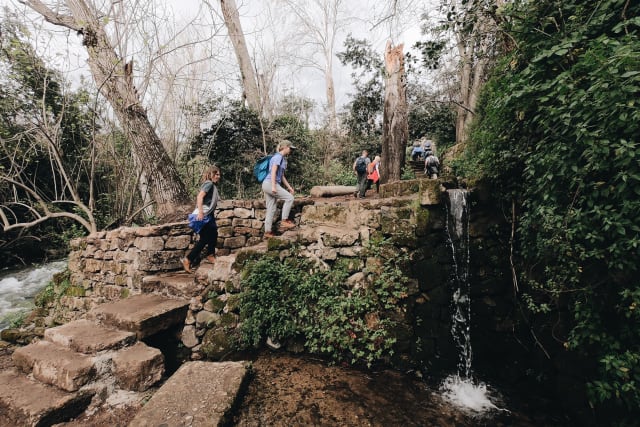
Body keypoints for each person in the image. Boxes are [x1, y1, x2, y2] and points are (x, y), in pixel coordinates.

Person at [182, 165, 221, 273]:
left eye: (219, 174)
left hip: (209, 214)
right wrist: (200, 212)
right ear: (211, 174)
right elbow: (200, 197)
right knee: (205, 238)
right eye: (216, 174)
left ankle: (210, 254)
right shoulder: (208, 184)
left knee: (213, 233)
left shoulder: (212, 185)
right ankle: (188, 259)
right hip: (204, 214)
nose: (219, 176)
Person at [262, 139, 297, 238]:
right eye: (290, 148)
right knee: (290, 198)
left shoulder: (282, 159)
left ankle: (267, 232)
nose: (291, 150)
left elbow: (281, 176)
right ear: (285, 147)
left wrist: (289, 187)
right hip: (270, 183)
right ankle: (284, 220)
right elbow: (273, 171)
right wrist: (273, 186)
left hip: (267, 184)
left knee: (271, 209)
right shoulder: (278, 157)